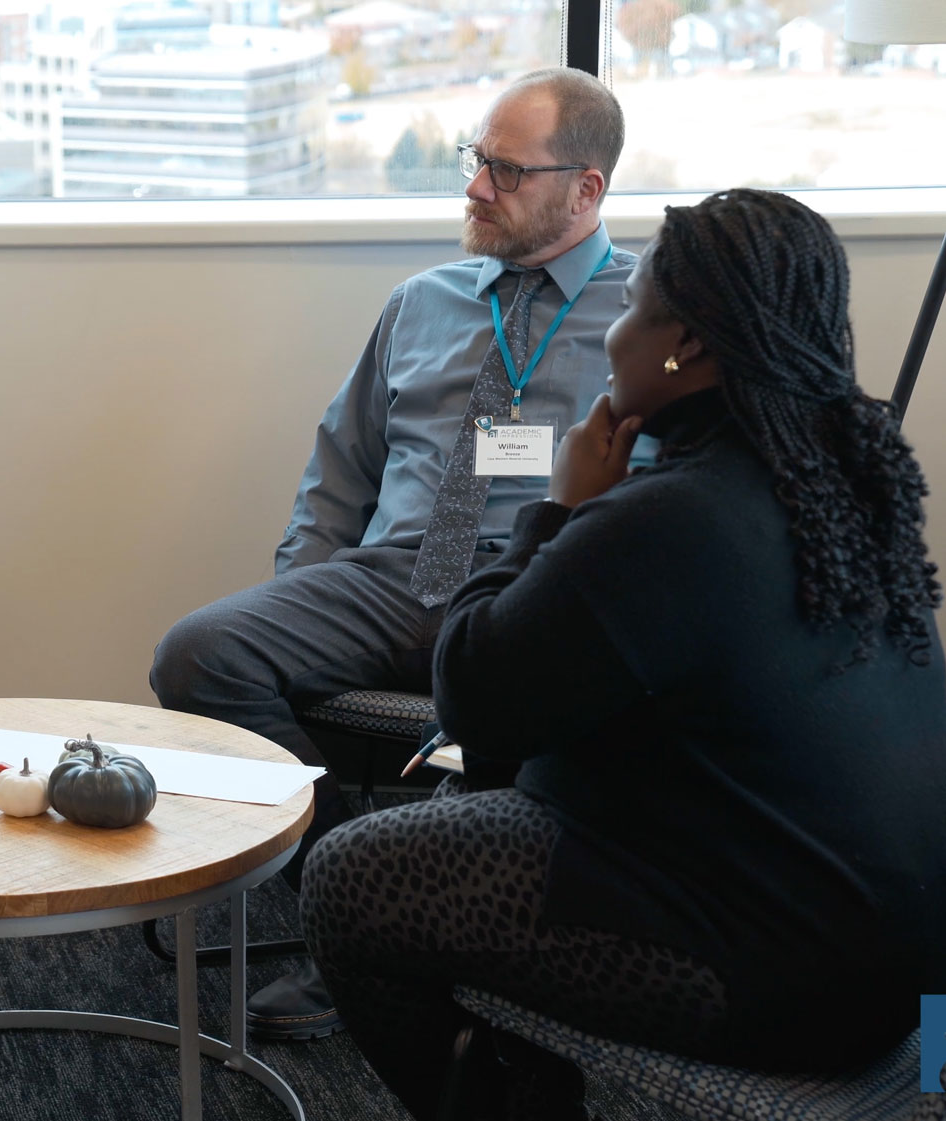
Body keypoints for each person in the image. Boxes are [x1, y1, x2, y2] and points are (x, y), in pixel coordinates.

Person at [300, 189, 946, 1120]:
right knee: (472, 806)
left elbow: (476, 694)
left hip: (781, 979)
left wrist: (556, 511)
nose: (614, 334)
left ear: (688, 346)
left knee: (351, 881)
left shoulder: (668, 518)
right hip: (895, 956)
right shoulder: (842, 488)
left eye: (635, 310)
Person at [149, 67, 633, 1040]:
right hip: (393, 576)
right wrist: (302, 601)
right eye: (474, 160)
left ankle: (385, 930)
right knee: (196, 652)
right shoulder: (422, 301)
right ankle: (353, 875)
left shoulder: (648, 317)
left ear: (583, 190)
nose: (473, 187)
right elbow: (340, 470)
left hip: (534, 588)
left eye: (504, 169)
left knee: (547, 736)